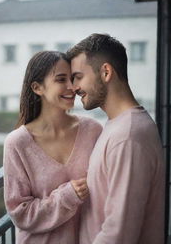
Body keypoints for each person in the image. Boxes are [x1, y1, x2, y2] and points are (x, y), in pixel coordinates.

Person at [67, 33, 165, 244]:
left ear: (105, 72)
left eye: (78, 77)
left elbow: (119, 235)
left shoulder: (128, 136)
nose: (74, 88)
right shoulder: (119, 125)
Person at [3, 51, 102, 244]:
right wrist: (67, 197)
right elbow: (20, 213)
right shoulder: (17, 143)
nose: (72, 87)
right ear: (37, 87)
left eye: (72, 78)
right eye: (61, 79)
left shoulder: (93, 131)